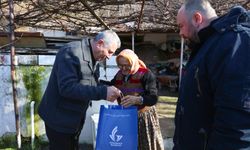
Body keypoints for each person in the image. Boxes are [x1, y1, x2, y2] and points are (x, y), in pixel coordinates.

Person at [174, 0, 250, 149]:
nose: (180, 33)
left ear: (197, 18)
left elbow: (237, 121)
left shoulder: (234, 43)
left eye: (181, 26)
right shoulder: (209, 45)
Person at [38, 30, 122, 150]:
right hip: (59, 120)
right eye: (109, 52)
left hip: (74, 119)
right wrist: (103, 92)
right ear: (100, 43)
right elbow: (67, 88)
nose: (109, 57)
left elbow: (91, 83)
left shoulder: (94, 56)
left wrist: (110, 87)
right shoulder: (70, 52)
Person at [102, 49, 164, 150]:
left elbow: (153, 98)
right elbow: (112, 85)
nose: (123, 68)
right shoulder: (119, 74)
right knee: (127, 144)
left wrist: (138, 100)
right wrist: (97, 82)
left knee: (144, 146)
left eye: (127, 65)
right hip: (126, 115)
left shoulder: (146, 74)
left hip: (143, 117)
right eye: (120, 65)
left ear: (134, 62)